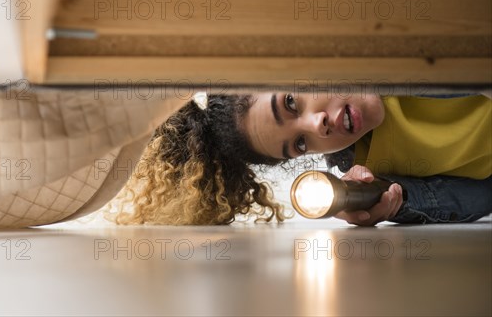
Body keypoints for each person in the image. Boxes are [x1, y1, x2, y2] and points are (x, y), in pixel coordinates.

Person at [114, 92, 492, 226]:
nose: (318, 125)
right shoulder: (371, 174)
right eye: (299, 144)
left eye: (291, 102)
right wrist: (401, 202)